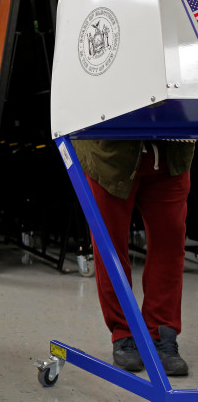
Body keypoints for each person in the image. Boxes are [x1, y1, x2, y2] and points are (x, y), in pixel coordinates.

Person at [73, 139, 194, 376]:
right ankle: (124, 333)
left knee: (170, 246)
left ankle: (162, 333)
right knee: (110, 249)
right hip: (109, 155)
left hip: (171, 151)